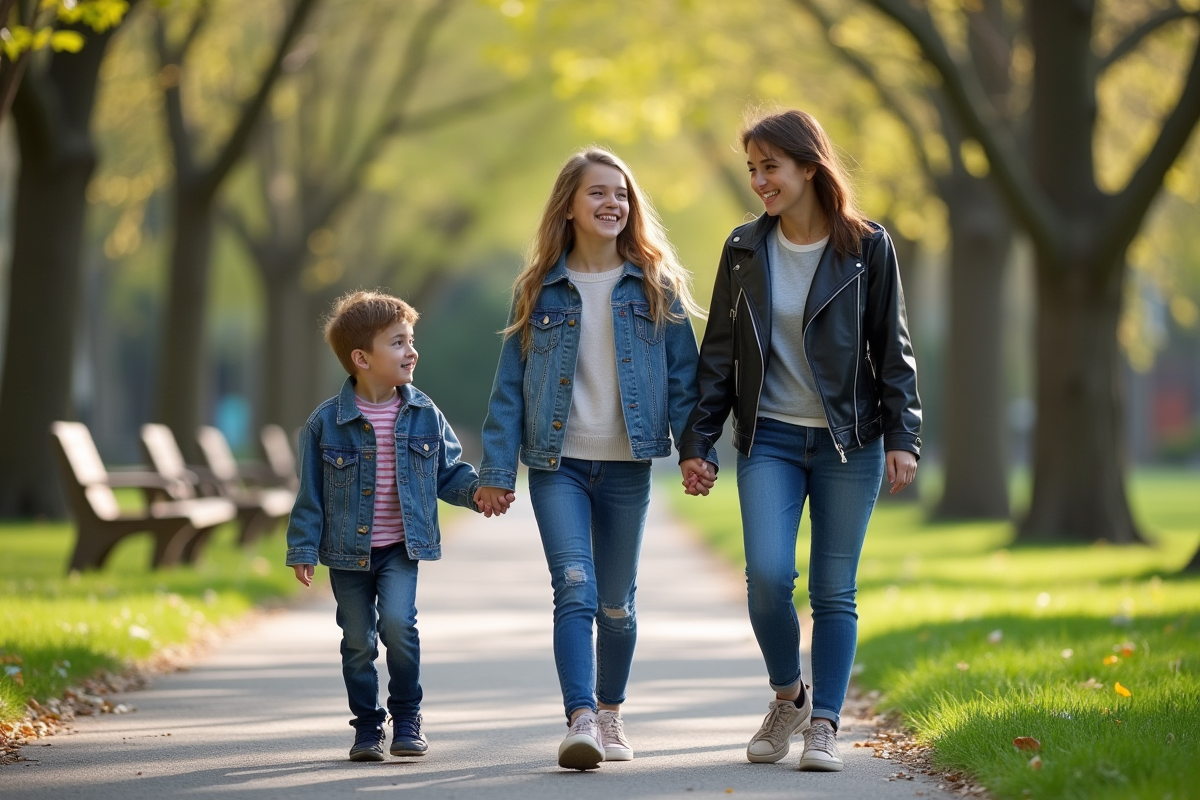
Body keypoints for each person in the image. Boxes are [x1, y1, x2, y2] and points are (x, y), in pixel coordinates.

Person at [678, 109, 922, 773]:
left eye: (770, 167)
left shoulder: (868, 247)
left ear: (808, 166)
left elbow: (890, 350)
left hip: (851, 443)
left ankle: (825, 725)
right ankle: (789, 696)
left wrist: (904, 434)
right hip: (772, 440)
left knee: (834, 590)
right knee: (766, 577)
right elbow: (719, 355)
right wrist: (698, 442)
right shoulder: (743, 248)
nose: (759, 180)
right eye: (752, 169)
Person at [474, 147, 714, 771]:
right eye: (598, 193)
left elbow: (686, 380)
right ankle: (580, 717)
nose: (613, 204)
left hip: (628, 465)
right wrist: (499, 473)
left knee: (617, 603)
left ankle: (610, 712)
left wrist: (695, 452)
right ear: (570, 207)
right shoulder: (538, 289)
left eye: (622, 194)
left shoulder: (657, 286)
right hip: (559, 466)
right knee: (573, 587)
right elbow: (508, 388)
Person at [285, 290, 514, 762]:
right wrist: (302, 548)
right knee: (356, 641)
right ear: (361, 358)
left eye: (411, 340)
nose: (411, 351)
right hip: (348, 554)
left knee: (398, 627)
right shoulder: (325, 424)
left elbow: (449, 471)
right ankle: (367, 727)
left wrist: (479, 493)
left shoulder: (424, 413)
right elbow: (310, 495)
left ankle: (407, 716)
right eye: (397, 343)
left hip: (400, 550)